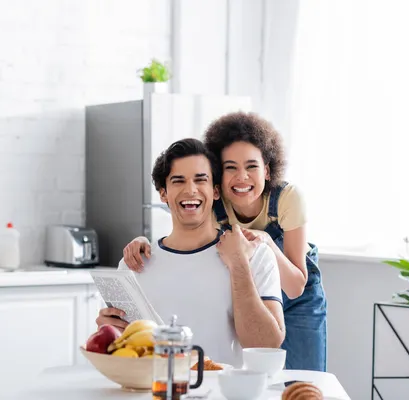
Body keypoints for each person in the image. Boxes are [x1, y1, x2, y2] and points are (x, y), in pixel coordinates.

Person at [122, 112, 328, 372]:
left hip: (296, 290)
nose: (241, 177)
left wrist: (264, 241)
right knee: (264, 378)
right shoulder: (217, 199)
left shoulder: (287, 198)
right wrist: (142, 241)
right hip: (251, 280)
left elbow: (297, 286)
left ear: (267, 169)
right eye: (231, 167)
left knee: (303, 377)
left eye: (251, 166)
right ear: (219, 181)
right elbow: (184, 217)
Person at [96, 138, 285, 367]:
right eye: (178, 181)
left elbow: (266, 345)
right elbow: (123, 352)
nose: (190, 190)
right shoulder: (133, 264)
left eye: (200, 180)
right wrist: (109, 331)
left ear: (215, 191)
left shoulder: (255, 255)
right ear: (163, 193)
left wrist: (238, 265)